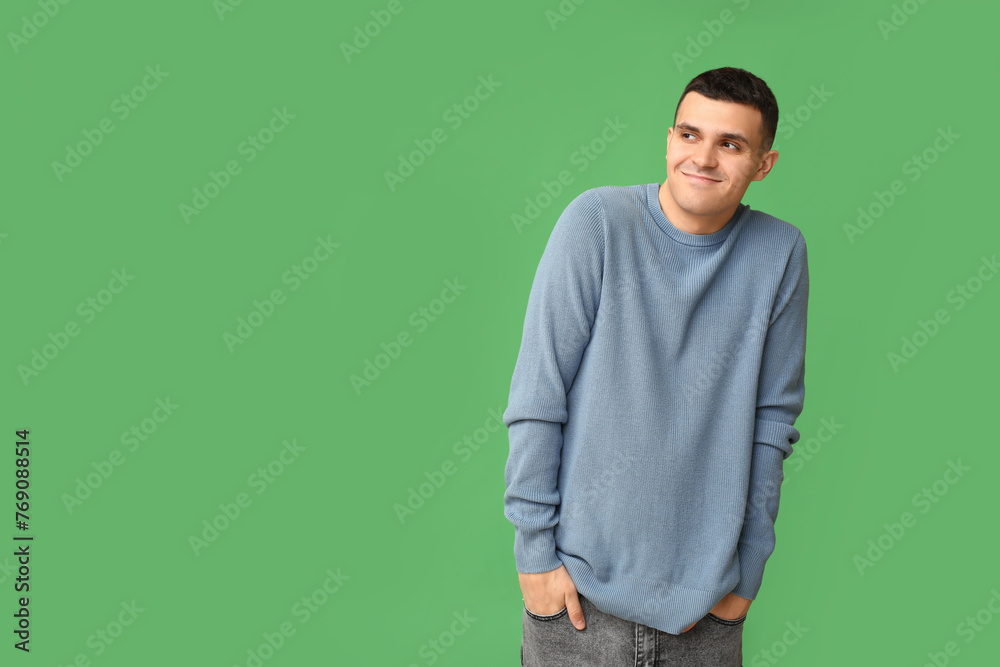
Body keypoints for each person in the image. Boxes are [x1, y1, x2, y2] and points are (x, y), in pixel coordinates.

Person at [502, 66, 809, 666]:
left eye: (731, 143)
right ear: (669, 140)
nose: (704, 157)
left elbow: (772, 422)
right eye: (690, 135)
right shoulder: (597, 223)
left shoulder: (780, 252)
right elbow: (540, 395)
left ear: (763, 164)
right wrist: (534, 556)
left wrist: (746, 574)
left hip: (707, 610)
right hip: (577, 608)